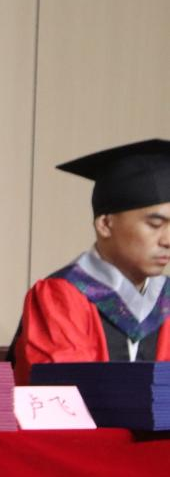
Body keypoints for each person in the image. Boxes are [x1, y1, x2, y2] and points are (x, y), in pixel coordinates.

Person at [13, 139, 170, 382]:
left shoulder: (164, 299)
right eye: (155, 224)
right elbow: (65, 390)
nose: (167, 240)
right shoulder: (62, 296)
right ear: (105, 224)